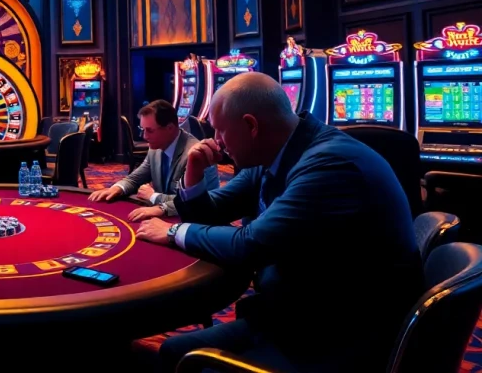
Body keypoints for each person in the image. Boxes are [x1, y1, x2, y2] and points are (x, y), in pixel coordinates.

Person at [135, 72, 422, 373]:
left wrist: (173, 231)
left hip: (341, 333)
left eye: (221, 131)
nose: (216, 142)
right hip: (302, 310)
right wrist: (193, 172)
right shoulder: (275, 153)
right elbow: (213, 211)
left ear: (251, 126)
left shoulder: (329, 166)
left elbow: (249, 245)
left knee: (187, 362)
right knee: (172, 350)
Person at [89, 100, 215, 220]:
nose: (144, 136)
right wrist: (116, 188)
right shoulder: (155, 149)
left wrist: (154, 196)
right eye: (142, 129)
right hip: (165, 218)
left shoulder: (196, 155)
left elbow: (198, 204)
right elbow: (135, 179)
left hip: (196, 224)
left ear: (170, 128)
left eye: (149, 130)